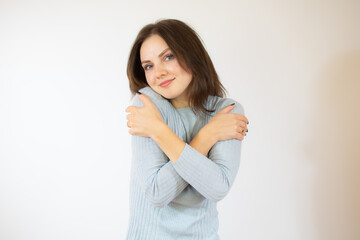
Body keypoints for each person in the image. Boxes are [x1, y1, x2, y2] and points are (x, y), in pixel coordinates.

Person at [125, 19, 249, 240]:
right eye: (148, 66)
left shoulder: (226, 111)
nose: (158, 72)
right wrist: (208, 135)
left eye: (168, 57)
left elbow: (216, 188)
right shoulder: (146, 105)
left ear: (192, 55)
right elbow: (157, 192)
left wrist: (158, 131)